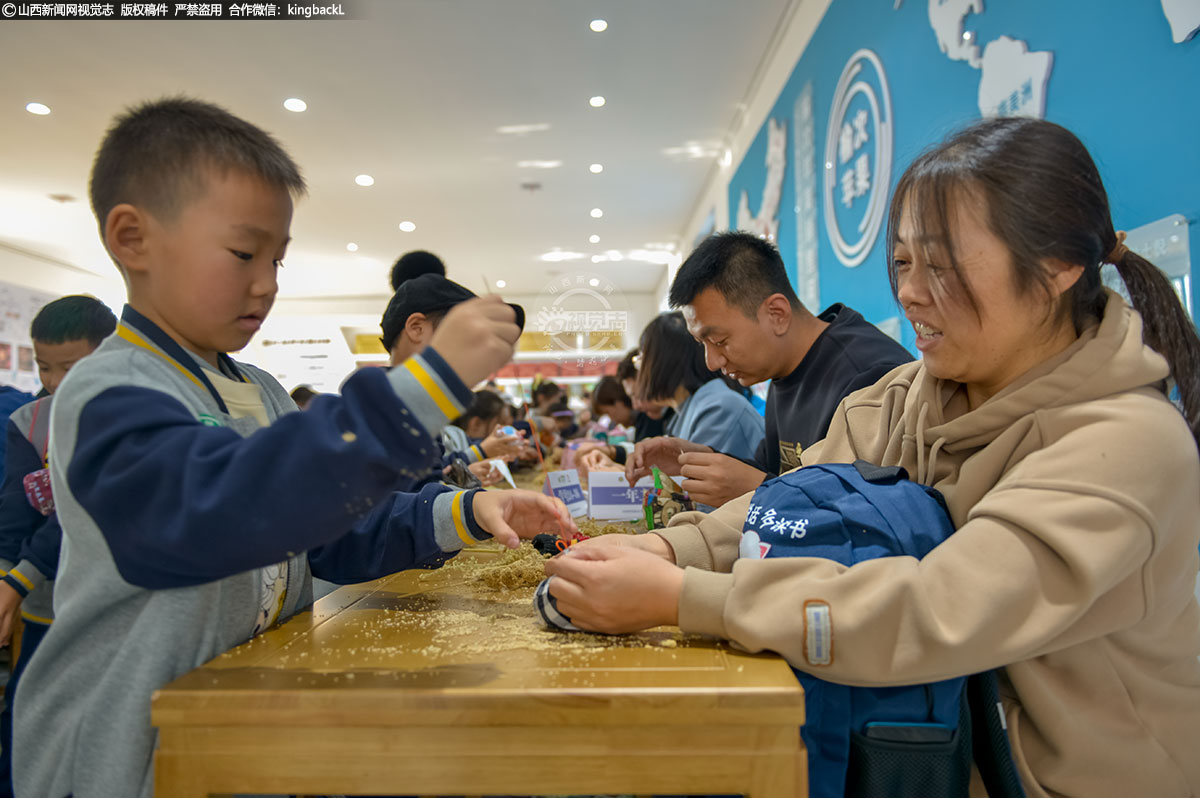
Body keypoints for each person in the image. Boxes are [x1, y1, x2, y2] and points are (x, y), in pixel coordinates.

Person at [546, 117, 1200, 797]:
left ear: (1058, 268)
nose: (911, 292)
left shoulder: (1128, 442)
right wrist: (669, 551)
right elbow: (787, 504)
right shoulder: (903, 399)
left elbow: (939, 610)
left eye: (942, 265)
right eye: (904, 262)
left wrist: (686, 598)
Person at [13, 97, 574, 798]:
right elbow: (227, 505)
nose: (267, 284)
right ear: (132, 238)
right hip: (129, 752)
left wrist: (463, 512)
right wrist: (424, 387)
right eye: (244, 253)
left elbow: (327, 527)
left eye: (278, 259)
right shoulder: (107, 392)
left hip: (240, 723)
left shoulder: (261, 390)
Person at [628, 231, 912, 507]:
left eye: (719, 341)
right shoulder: (784, 367)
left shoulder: (869, 377)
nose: (711, 363)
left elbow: (876, 512)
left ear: (776, 314)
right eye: (702, 344)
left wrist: (758, 489)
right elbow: (773, 470)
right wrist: (697, 458)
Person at [0, 294, 117, 797]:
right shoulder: (29, 422)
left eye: (72, 367)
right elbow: (14, 520)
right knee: (27, 737)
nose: (55, 382)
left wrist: (15, 580)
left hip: (117, 615)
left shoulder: (129, 419)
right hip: (48, 614)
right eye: (46, 367)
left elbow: (79, 510)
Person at [381, 273, 528, 474]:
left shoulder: (425, 408)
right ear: (416, 328)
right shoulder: (382, 409)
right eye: (463, 335)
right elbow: (400, 498)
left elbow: (428, 478)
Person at [633, 311, 764, 465]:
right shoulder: (688, 408)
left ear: (661, 362)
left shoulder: (717, 408)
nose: (639, 371)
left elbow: (693, 480)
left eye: (641, 359)